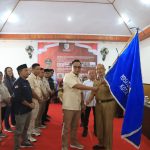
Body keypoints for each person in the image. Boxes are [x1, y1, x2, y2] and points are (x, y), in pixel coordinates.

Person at [62, 59, 97, 150]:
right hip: (68, 106)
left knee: (75, 126)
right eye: (75, 67)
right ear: (72, 67)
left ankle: (73, 142)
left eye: (79, 67)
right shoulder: (68, 76)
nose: (77, 69)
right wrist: (92, 88)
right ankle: (64, 146)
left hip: (77, 106)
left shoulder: (78, 78)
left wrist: (82, 104)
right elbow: (77, 86)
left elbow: (80, 92)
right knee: (67, 127)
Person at [86, 64, 115, 150]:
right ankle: (101, 143)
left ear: (104, 69)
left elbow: (115, 90)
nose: (99, 70)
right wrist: (87, 101)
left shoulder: (110, 79)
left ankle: (108, 147)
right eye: (97, 69)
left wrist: (107, 83)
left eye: (101, 69)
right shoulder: (95, 81)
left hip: (108, 104)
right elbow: (93, 93)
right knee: (99, 125)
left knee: (108, 126)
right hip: (98, 104)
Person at [12, 64, 35, 150]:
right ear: (20, 72)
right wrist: (30, 104)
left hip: (28, 110)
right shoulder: (17, 83)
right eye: (25, 70)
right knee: (19, 131)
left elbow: (29, 95)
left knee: (25, 128)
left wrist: (32, 103)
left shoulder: (26, 81)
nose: (27, 71)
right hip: (20, 111)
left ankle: (24, 141)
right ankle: (17, 147)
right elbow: (19, 98)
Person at [82, 70, 96, 137]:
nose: (91, 75)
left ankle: (96, 130)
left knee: (97, 117)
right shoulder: (85, 82)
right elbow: (83, 93)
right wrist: (84, 103)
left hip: (96, 103)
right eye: (89, 74)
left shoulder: (98, 82)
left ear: (95, 74)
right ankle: (85, 129)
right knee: (86, 117)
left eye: (92, 73)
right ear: (88, 75)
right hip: (87, 103)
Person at [3, 67, 16, 132]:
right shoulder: (5, 80)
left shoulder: (14, 78)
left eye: (11, 70)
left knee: (13, 112)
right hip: (8, 99)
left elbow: (16, 87)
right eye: (8, 71)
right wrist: (12, 95)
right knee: (7, 114)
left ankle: (13, 123)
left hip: (14, 98)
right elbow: (8, 90)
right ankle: (7, 127)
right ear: (6, 72)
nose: (10, 72)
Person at [0, 71, 11, 138]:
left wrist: (9, 98)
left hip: (5, 105)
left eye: (1, 75)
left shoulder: (2, 84)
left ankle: (0, 132)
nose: (0, 77)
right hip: (1, 105)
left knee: (1, 120)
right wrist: (6, 100)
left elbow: (7, 92)